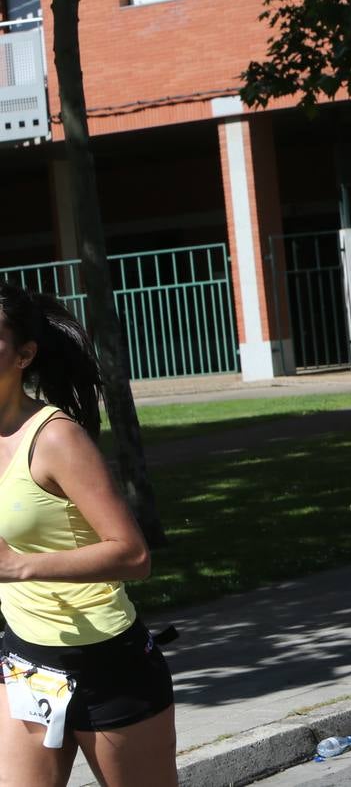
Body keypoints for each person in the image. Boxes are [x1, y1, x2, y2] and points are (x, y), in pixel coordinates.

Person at [0, 282, 177, 787]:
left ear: (24, 355)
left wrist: (18, 566)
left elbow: (134, 556)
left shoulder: (56, 438)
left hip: (107, 665)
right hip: (26, 659)